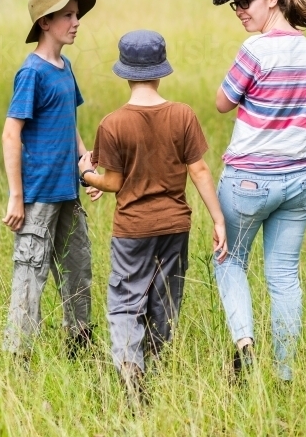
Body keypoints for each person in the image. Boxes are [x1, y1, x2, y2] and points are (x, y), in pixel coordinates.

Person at [78, 29, 228, 401]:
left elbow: (112, 181)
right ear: (161, 71)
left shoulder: (113, 123)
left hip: (132, 229)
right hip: (175, 225)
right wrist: (218, 219)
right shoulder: (183, 115)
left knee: (126, 301)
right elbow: (201, 171)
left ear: (124, 73)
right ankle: (156, 366)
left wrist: (87, 176)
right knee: (164, 300)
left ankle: (131, 367)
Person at [211, 0, 306, 381]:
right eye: (234, 5)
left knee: (228, 260)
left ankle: (244, 343)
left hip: (248, 180)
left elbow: (222, 103)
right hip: (299, 180)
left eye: (244, 2)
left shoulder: (255, 50)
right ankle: (284, 371)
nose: (239, 10)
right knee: (283, 276)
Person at [2, 0, 97, 358]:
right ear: (45, 22)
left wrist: (84, 161)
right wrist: (16, 196)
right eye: (68, 15)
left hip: (67, 193)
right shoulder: (32, 73)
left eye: (77, 15)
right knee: (30, 275)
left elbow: (68, 121)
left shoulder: (65, 67)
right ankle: (18, 356)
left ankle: (80, 344)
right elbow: (11, 133)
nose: (76, 22)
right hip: (38, 194)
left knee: (78, 268)